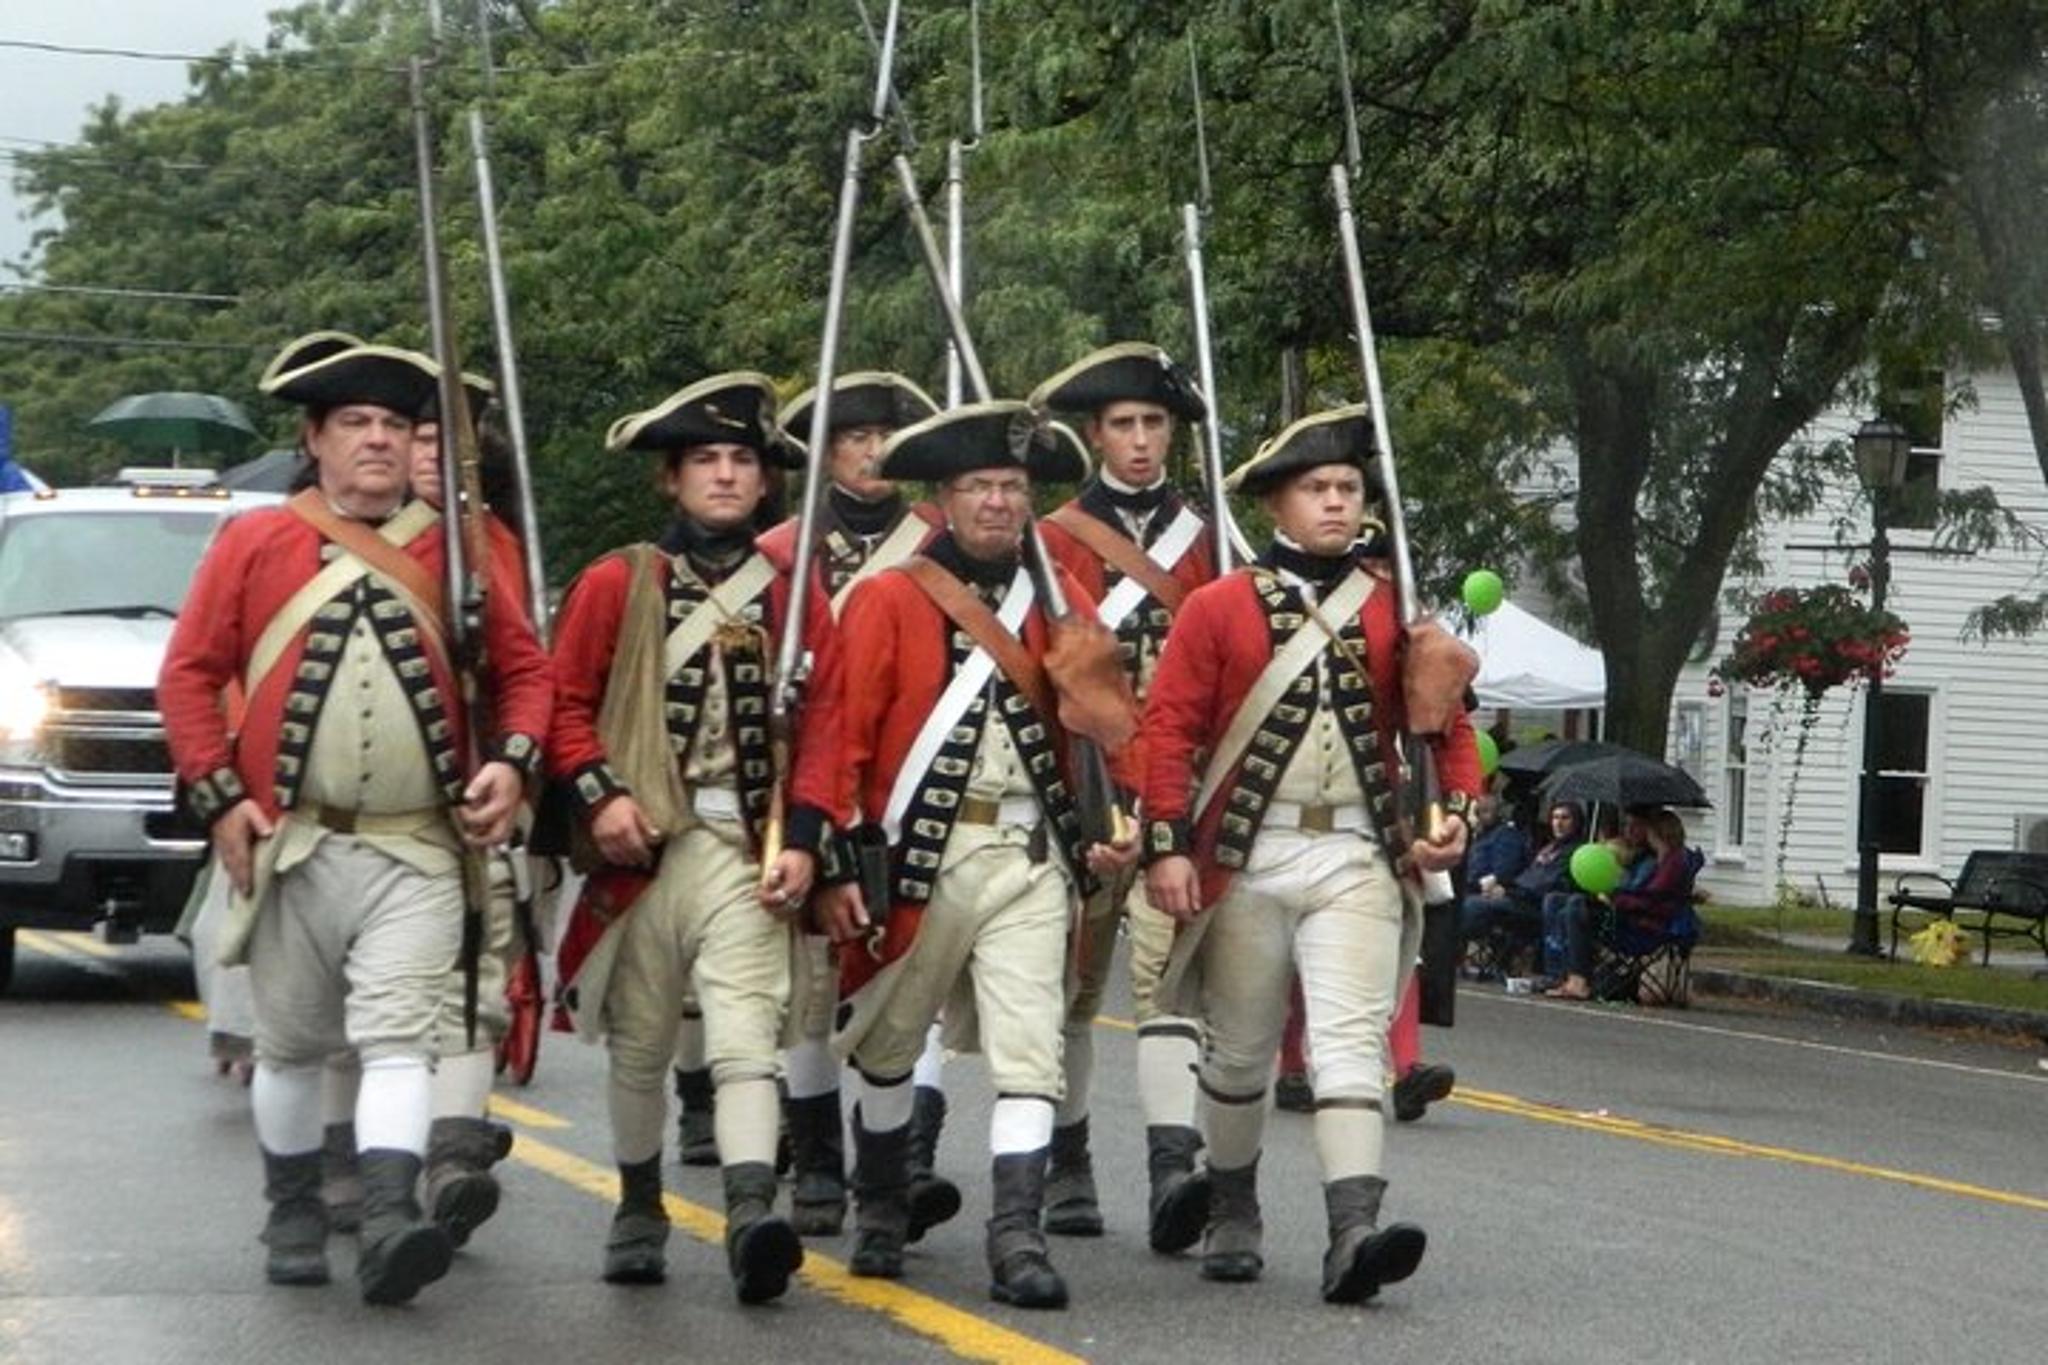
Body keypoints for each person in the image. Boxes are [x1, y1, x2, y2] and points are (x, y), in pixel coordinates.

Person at [158, 337, 553, 1304]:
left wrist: (511, 762)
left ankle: (386, 1218)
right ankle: (292, 1206)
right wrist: (219, 797)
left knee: (398, 1038)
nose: (377, 441)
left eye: (393, 424)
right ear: (315, 438)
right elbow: (191, 674)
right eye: (356, 424)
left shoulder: (458, 546)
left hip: (419, 844)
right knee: (292, 1045)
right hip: (297, 841)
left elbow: (526, 671)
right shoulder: (255, 543)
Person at [1143, 405, 1480, 1304]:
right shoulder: (1218, 608)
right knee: (1242, 1056)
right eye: (1317, 488)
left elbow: (1447, 729)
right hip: (1249, 858)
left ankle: (1352, 1231)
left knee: (1348, 1045)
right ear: (1278, 506)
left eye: (1348, 488)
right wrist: (1168, 844)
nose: (1336, 502)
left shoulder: (1395, 608)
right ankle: (1233, 1207)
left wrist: (1457, 816)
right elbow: (1169, 731)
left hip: (1359, 855)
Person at [816, 399, 1138, 1310]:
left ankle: (1017, 1235)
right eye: (978, 486)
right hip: (924, 853)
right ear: (943, 499)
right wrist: (841, 848)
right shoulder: (886, 597)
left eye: (1012, 485)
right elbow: (848, 734)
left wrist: (1126, 816)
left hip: (1032, 853)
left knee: (1031, 1049)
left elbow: (1114, 727)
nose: (998, 501)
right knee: (888, 1040)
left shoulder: (1061, 600)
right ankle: (880, 1205)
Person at [546, 372, 839, 1303]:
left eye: (741, 460)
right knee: (640, 1038)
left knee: (748, 1029)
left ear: (764, 481)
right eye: (705, 460)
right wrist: (599, 800)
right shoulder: (617, 581)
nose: (724, 475)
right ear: (671, 479)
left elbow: (831, 723)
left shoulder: (796, 595)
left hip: (743, 848)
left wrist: (802, 837)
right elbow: (563, 706)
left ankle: (752, 1213)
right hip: (647, 847)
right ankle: (639, 1205)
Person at [757, 370, 955, 1241]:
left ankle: (906, 1156)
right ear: (827, 451)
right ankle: (817, 1166)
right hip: (806, 769)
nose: (872, 452)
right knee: (812, 981)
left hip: (913, 773)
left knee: (913, 971)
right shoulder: (779, 552)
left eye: (886, 438)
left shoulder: (942, 544)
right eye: (854, 437)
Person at [1028, 342, 1216, 1247]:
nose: (1141, 442)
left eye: (1154, 424)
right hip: (1086, 788)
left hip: (1175, 789)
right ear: (1096, 435)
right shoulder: (1055, 538)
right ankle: (1067, 1160)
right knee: (1072, 984)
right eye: (1124, 426)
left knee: (1168, 983)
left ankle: (1173, 1168)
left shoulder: (1210, 539)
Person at [1545, 808, 1693, 1000]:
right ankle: (1560, 973)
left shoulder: (1671, 864)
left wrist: (1616, 898)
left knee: (1576, 906)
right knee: (1561, 902)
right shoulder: (1650, 858)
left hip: (1642, 926)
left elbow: (1651, 899)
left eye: (1647, 831)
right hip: (1630, 915)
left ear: (1659, 834)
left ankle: (1578, 979)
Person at [1461, 800, 1583, 962]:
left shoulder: (1575, 852)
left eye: (1565, 818)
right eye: (1555, 818)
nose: (1558, 823)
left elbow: (1545, 885)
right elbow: (1527, 877)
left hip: (1536, 906)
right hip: (1517, 897)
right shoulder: (1549, 848)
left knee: (1473, 906)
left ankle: (1453, 953)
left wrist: (1507, 891)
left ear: (1576, 822)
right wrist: (1502, 888)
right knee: (1465, 902)